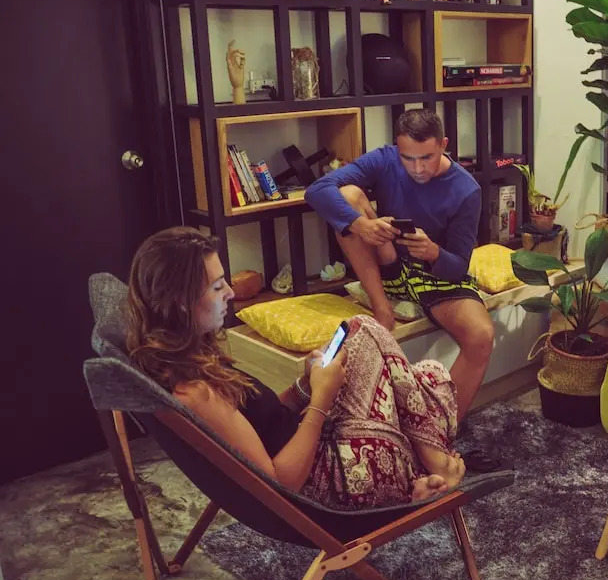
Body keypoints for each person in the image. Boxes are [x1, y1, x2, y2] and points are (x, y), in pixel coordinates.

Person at [125, 226, 466, 509]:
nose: (229, 292)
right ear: (181, 303)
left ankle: (417, 473)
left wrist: (304, 387)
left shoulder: (191, 359)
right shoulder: (194, 393)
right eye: (216, 287)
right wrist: (320, 401)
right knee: (391, 350)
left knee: (419, 372)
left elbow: (264, 422)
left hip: (318, 445)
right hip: (331, 478)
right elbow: (280, 484)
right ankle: (430, 467)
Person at [305, 109, 494, 423]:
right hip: (390, 264)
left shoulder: (467, 189)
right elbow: (317, 190)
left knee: (482, 335)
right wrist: (361, 225)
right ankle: (382, 309)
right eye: (408, 158)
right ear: (397, 147)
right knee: (348, 195)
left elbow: (458, 267)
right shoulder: (384, 159)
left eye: (427, 158)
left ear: (444, 144)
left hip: (436, 278)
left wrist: (434, 252)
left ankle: (441, 431)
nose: (417, 168)